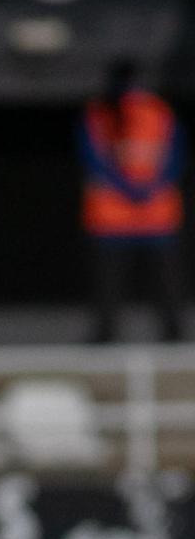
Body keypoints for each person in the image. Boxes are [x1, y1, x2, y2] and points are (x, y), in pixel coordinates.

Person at [81, 60, 187, 343]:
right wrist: (130, 188)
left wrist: (146, 188)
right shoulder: (98, 114)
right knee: (109, 287)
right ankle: (105, 338)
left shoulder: (159, 112)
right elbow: (93, 161)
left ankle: (174, 337)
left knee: (167, 285)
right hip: (112, 218)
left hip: (155, 216)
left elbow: (175, 158)